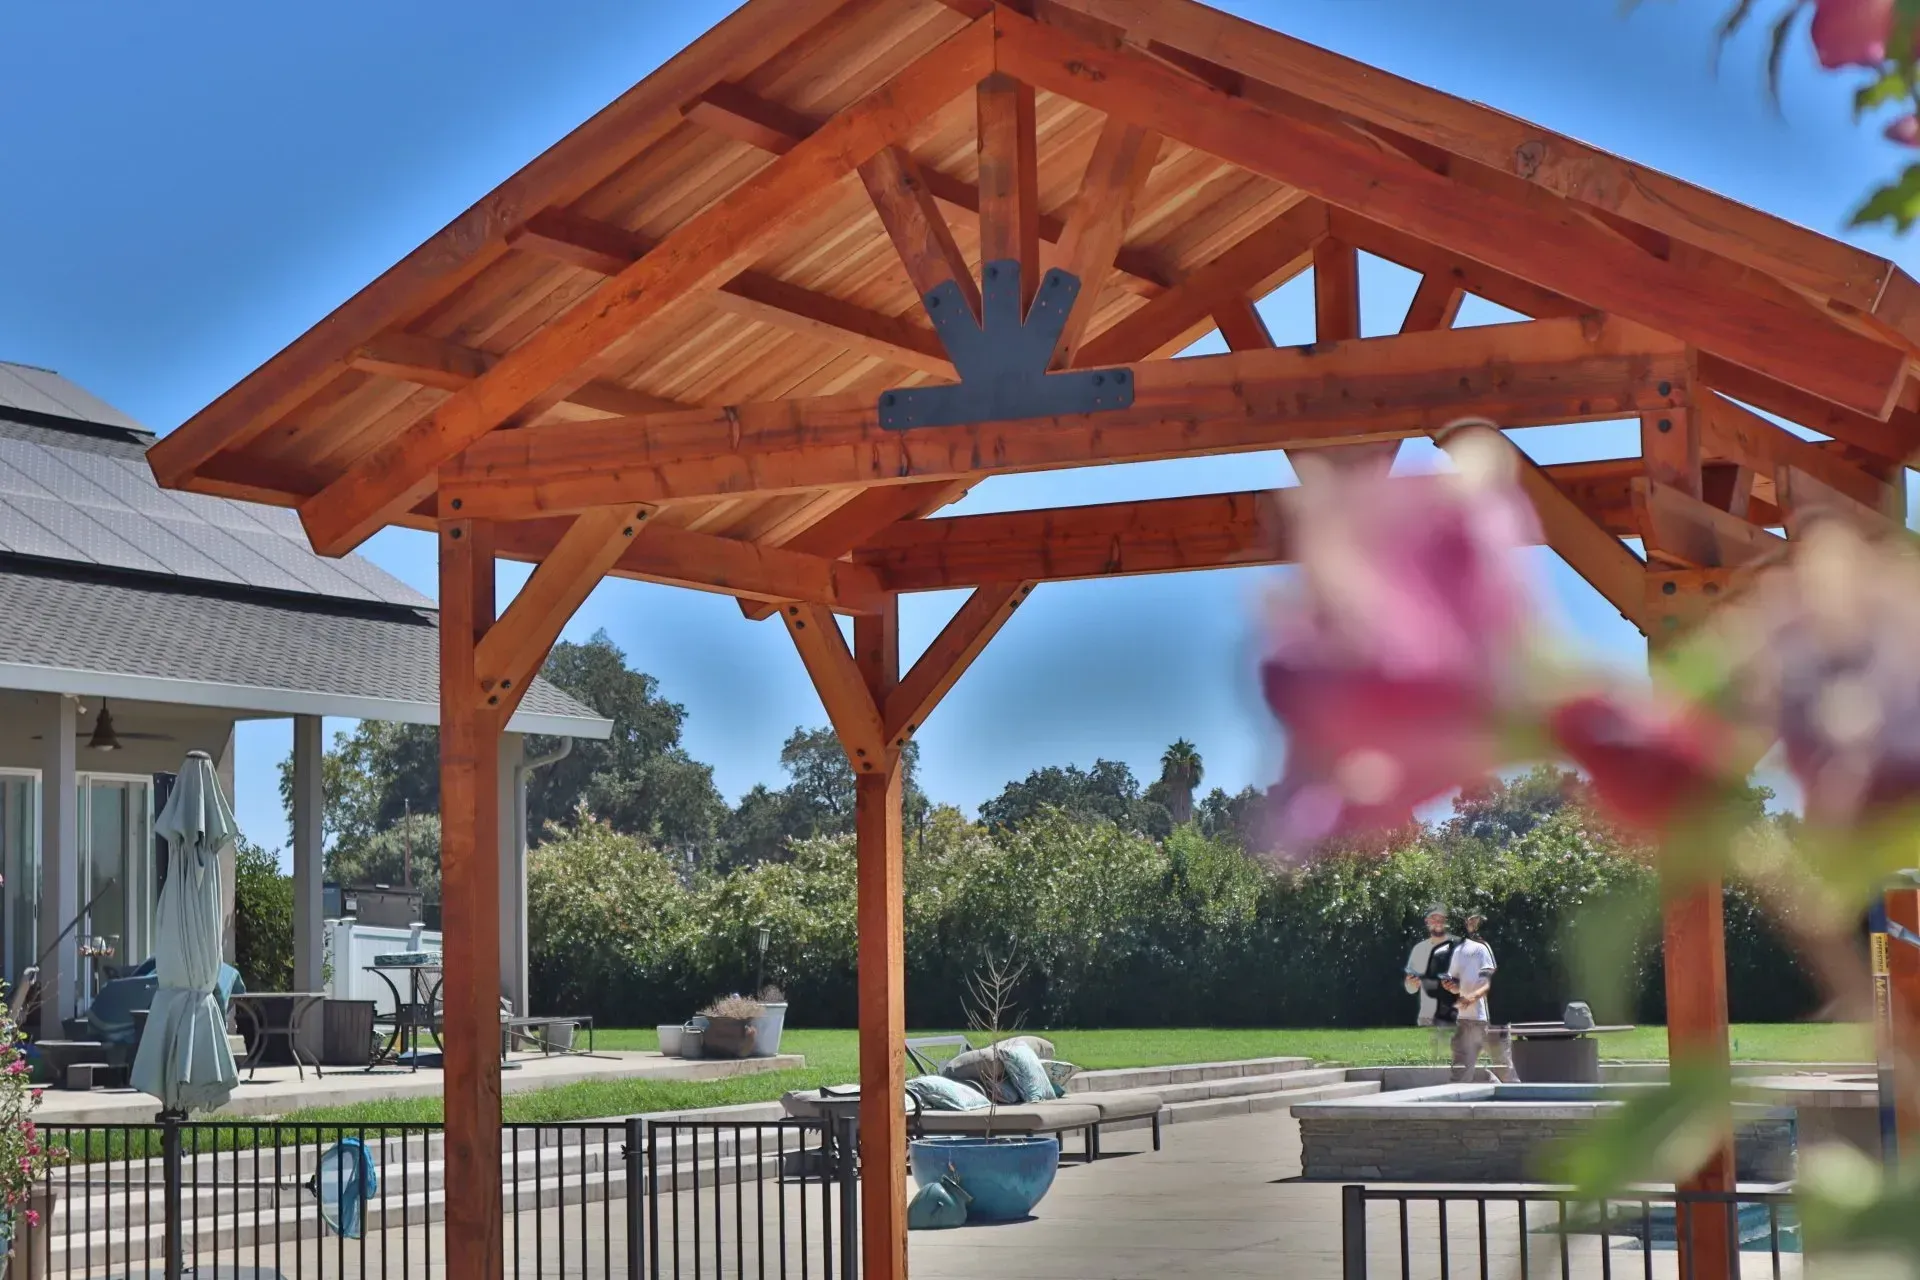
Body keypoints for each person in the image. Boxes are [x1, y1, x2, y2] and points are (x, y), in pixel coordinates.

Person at [1444, 914, 1516, 1082]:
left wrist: (1471, 997)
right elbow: (1458, 986)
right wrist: (1451, 987)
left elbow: (1487, 983)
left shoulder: (1483, 948)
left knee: (1503, 1069)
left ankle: (1516, 1103)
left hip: (1492, 1019)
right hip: (1467, 1019)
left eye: (1474, 923)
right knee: (1460, 1073)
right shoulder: (1459, 951)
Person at [1402, 906, 1459, 1029]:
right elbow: (1410, 989)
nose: (1437, 922)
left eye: (1441, 919)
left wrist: (1458, 987)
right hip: (1427, 1017)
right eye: (1433, 918)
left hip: (1456, 1017)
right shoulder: (1419, 949)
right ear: (1427, 922)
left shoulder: (1458, 946)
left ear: (1446, 922)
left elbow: (1473, 983)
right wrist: (1411, 984)